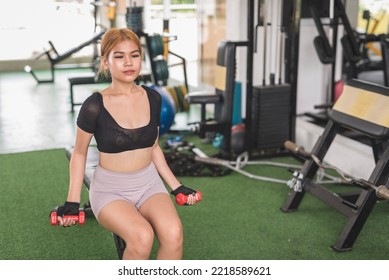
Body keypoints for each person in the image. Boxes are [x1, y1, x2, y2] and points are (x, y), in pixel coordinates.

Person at [56, 27, 201, 260]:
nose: (128, 62)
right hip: (110, 190)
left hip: (149, 184)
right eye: (119, 56)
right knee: (142, 237)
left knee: (174, 234)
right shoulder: (94, 105)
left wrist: (176, 186)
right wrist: (72, 201)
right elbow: (80, 153)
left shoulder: (153, 98)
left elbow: (153, 147)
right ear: (105, 61)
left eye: (134, 55)